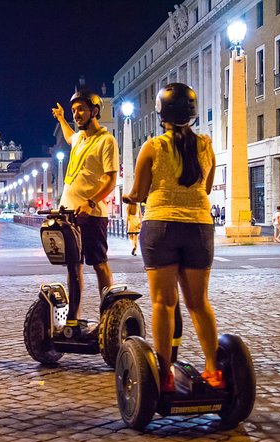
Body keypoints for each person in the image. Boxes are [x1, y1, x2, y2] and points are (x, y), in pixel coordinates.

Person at [123, 83, 224, 391]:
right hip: (199, 228)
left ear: (161, 114)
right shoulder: (207, 146)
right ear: (192, 114)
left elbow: (140, 192)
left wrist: (129, 198)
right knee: (199, 303)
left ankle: (164, 374)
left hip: (161, 227)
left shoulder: (153, 147)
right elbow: (204, 189)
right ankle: (213, 370)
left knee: (163, 304)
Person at [51, 89, 119, 328]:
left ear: (95, 111)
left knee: (99, 263)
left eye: (81, 109)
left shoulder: (106, 140)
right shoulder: (79, 139)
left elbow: (111, 179)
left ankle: (109, 315)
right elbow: (70, 137)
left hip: (92, 215)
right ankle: (74, 316)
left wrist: (91, 202)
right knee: (73, 266)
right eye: (73, 111)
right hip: (68, 214)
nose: (76, 115)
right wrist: (61, 118)